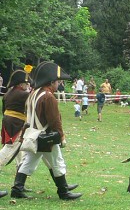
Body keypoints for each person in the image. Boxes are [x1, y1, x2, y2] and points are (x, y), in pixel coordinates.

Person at [11, 62, 81, 200]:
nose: (58, 84)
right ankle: (63, 192)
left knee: (28, 162)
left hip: (33, 134)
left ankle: (17, 189)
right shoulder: (48, 96)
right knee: (57, 162)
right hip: (46, 135)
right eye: (57, 82)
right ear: (51, 82)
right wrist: (61, 136)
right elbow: (55, 120)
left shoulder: (34, 93)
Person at [0, 69, 33, 198]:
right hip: (16, 124)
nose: (27, 85)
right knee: (8, 151)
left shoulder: (9, 93)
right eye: (25, 83)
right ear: (20, 84)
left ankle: (19, 184)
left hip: (9, 122)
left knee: (21, 154)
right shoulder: (23, 94)